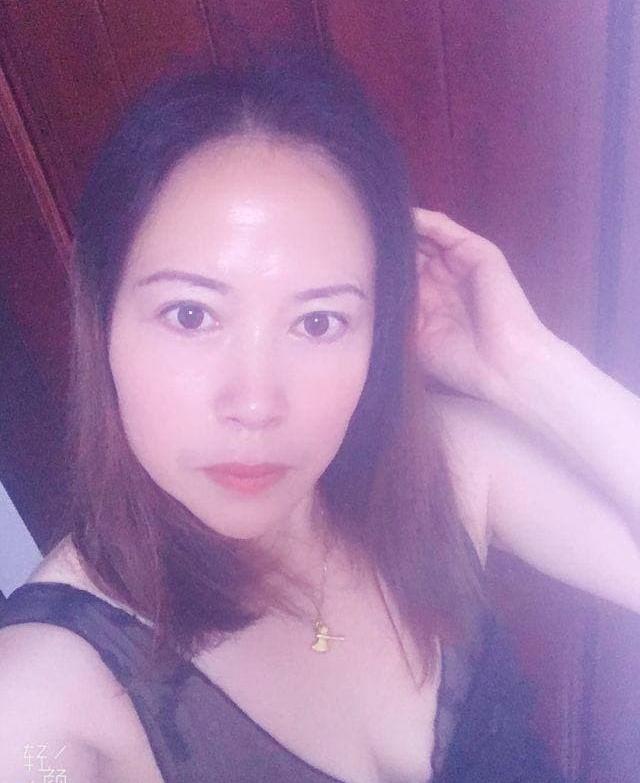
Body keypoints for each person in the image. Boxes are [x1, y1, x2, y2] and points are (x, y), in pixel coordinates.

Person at [1, 46, 639, 783]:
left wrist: (526, 364)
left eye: (318, 322)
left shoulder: (451, 465)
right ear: (102, 315)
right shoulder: (39, 709)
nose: (255, 403)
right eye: (191, 314)